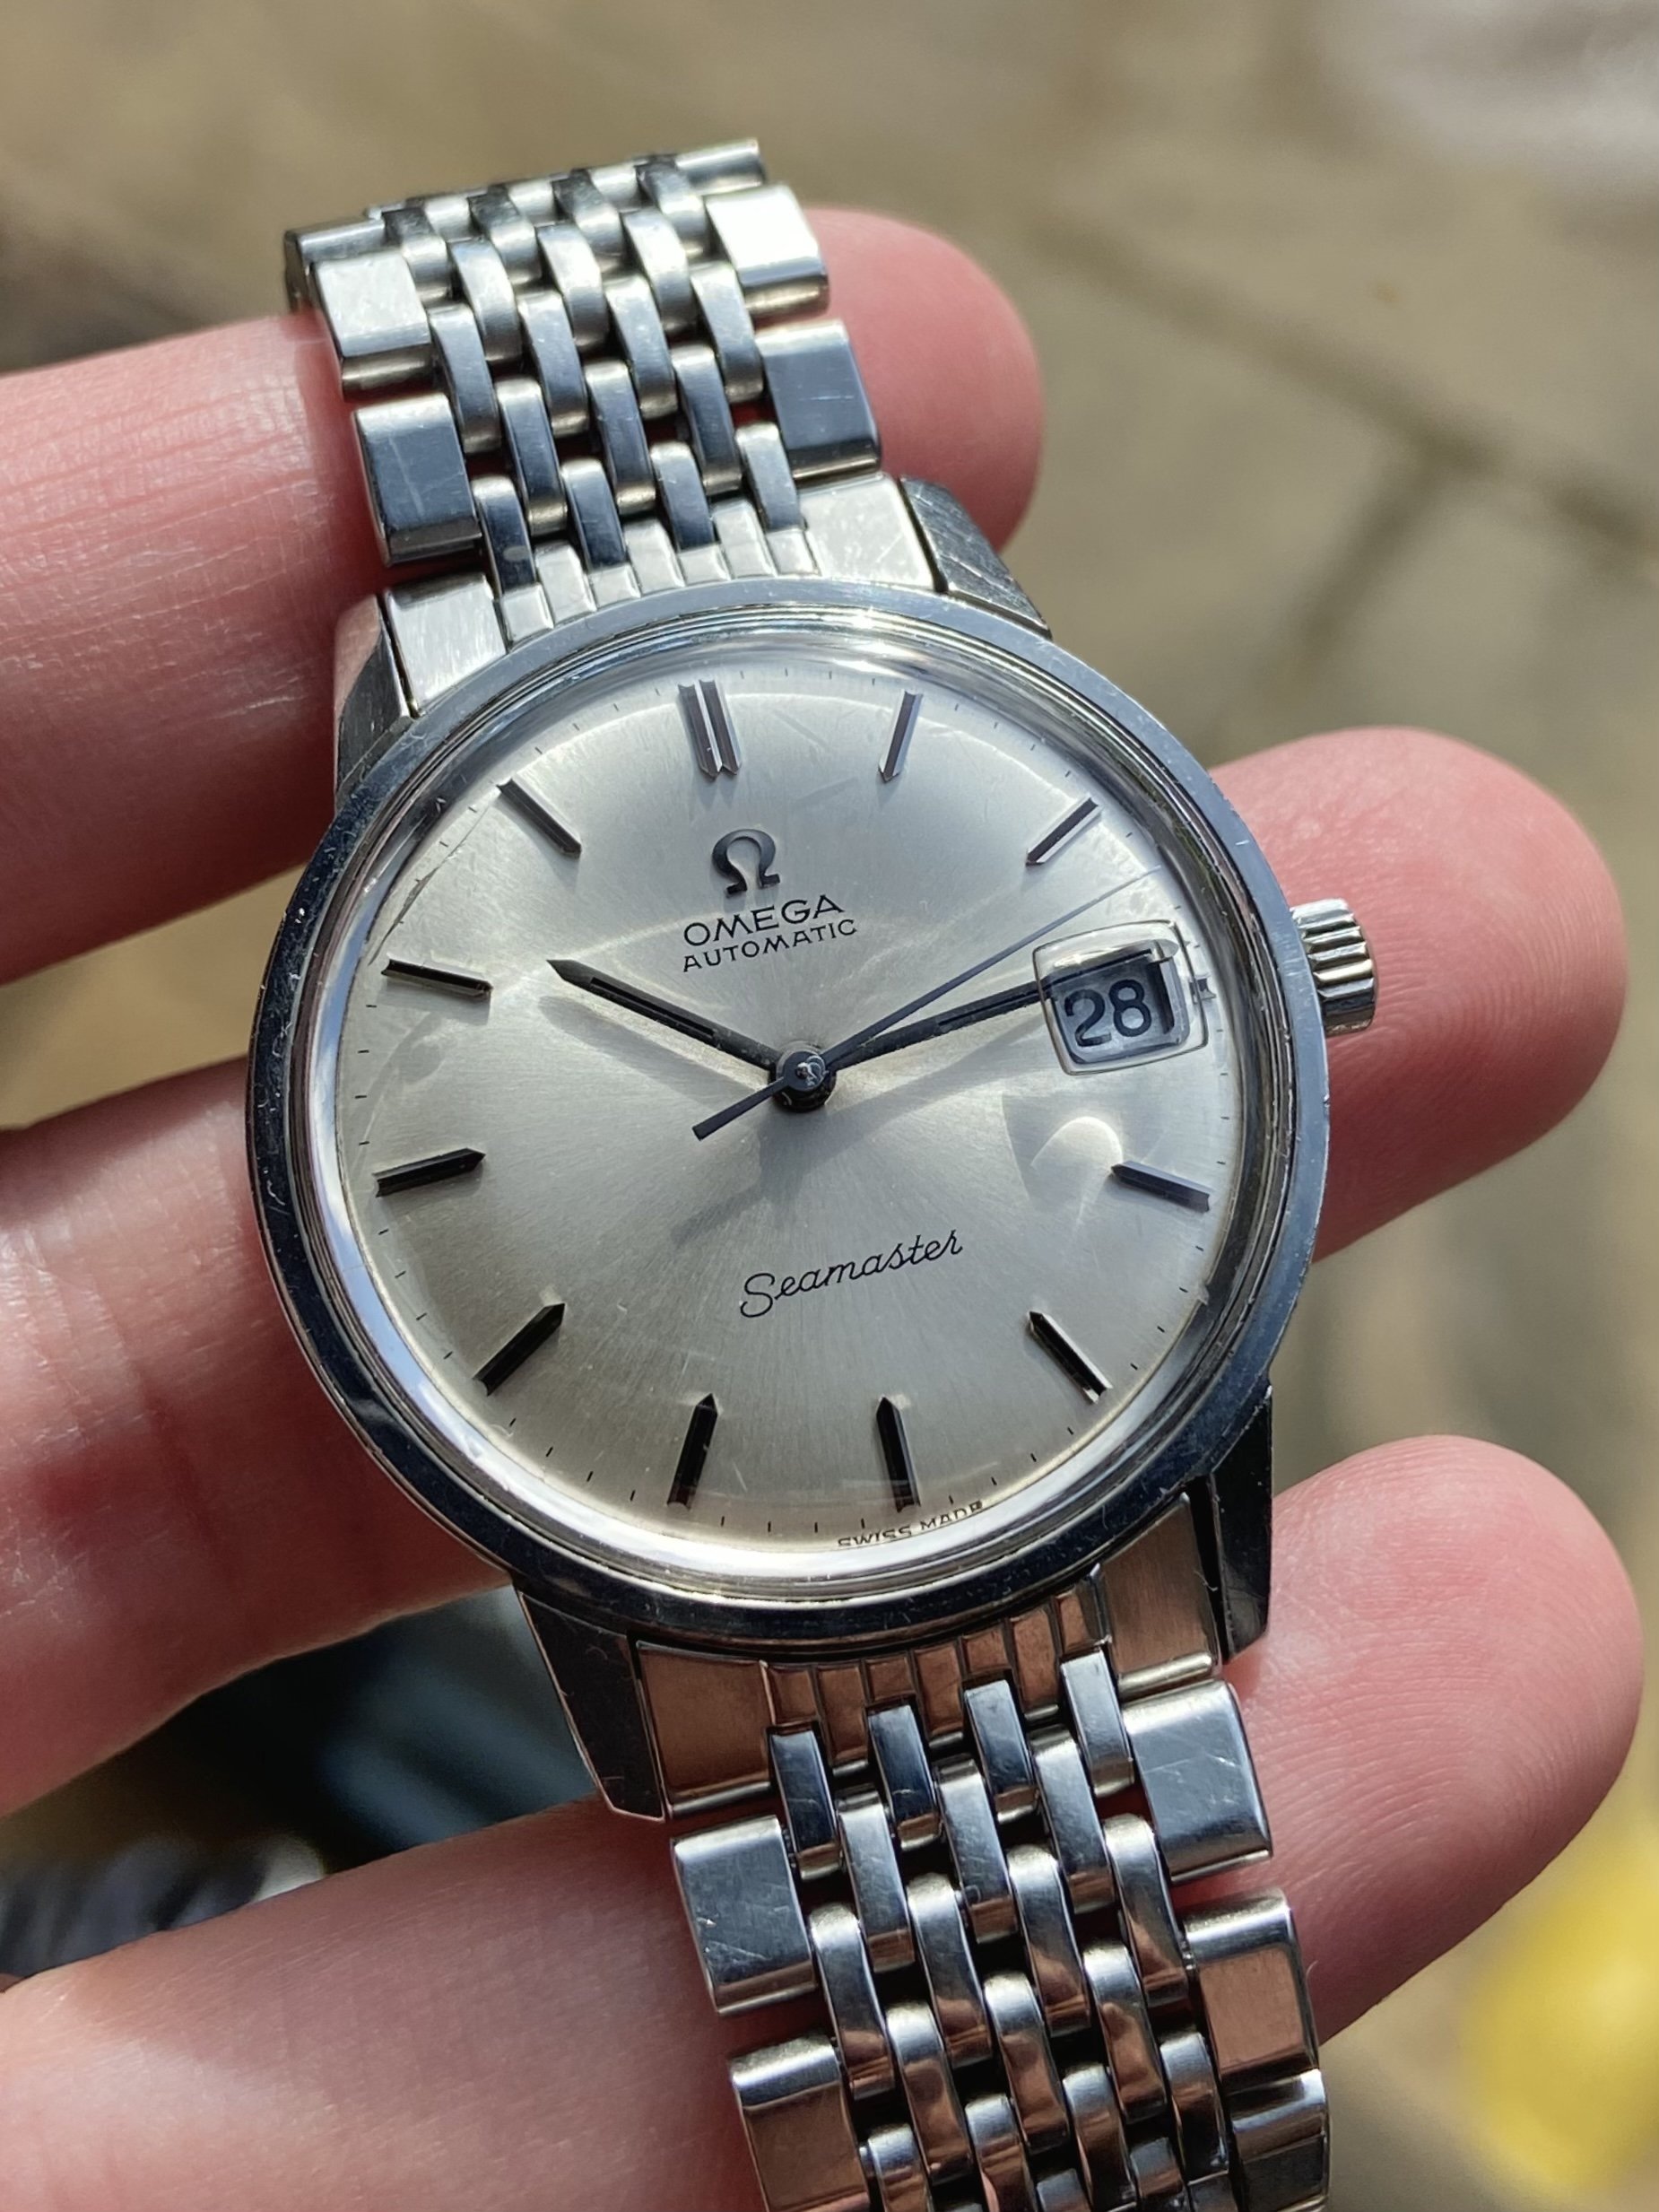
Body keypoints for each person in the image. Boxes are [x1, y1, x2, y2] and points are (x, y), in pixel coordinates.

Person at [0, 210, 1639, 2208]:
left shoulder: (946, 674)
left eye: (820, 1062)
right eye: (776, 1069)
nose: (798, 1078)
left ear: (1281, 972)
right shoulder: (442, 768)